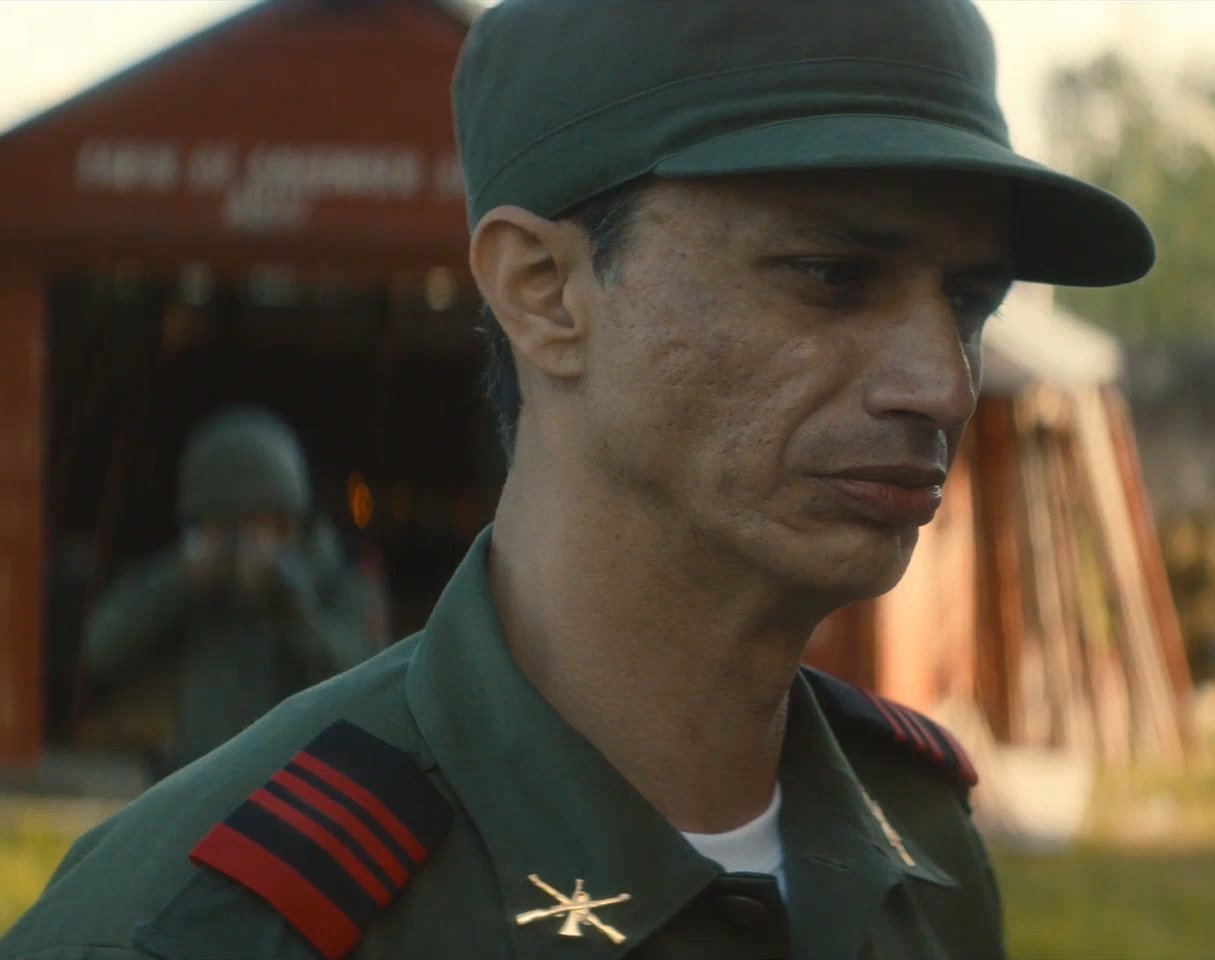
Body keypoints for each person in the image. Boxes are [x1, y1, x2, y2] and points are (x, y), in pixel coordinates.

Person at [0, 1, 1153, 957]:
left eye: (968, 302)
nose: (942, 384)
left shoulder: (924, 851)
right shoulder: (215, 925)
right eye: (831, 275)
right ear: (545, 294)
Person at [77, 406, 387, 776]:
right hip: (204, 780)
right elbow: (101, 648)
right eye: (222, 527)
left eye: (255, 525)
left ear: (287, 520)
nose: (240, 544)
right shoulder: (195, 584)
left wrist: (291, 607)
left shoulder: (339, 578)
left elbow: (368, 685)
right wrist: (179, 581)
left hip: (303, 782)